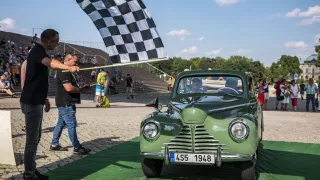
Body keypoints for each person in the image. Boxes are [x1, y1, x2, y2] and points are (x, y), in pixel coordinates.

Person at [20, 29, 79, 180]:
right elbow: (51, 64)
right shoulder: (37, 50)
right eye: (56, 41)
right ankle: (29, 175)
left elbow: (37, 79)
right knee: (32, 140)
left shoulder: (40, 52)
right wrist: (68, 67)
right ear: (49, 41)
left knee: (37, 136)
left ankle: (31, 170)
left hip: (37, 100)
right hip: (31, 101)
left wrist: (44, 99)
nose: (58, 44)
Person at [50, 53, 91, 155]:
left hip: (65, 102)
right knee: (71, 124)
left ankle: (54, 144)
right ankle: (76, 147)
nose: (76, 64)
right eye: (74, 62)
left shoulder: (67, 70)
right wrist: (81, 90)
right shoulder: (64, 71)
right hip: (65, 103)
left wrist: (82, 87)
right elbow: (68, 88)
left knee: (61, 123)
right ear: (68, 60)